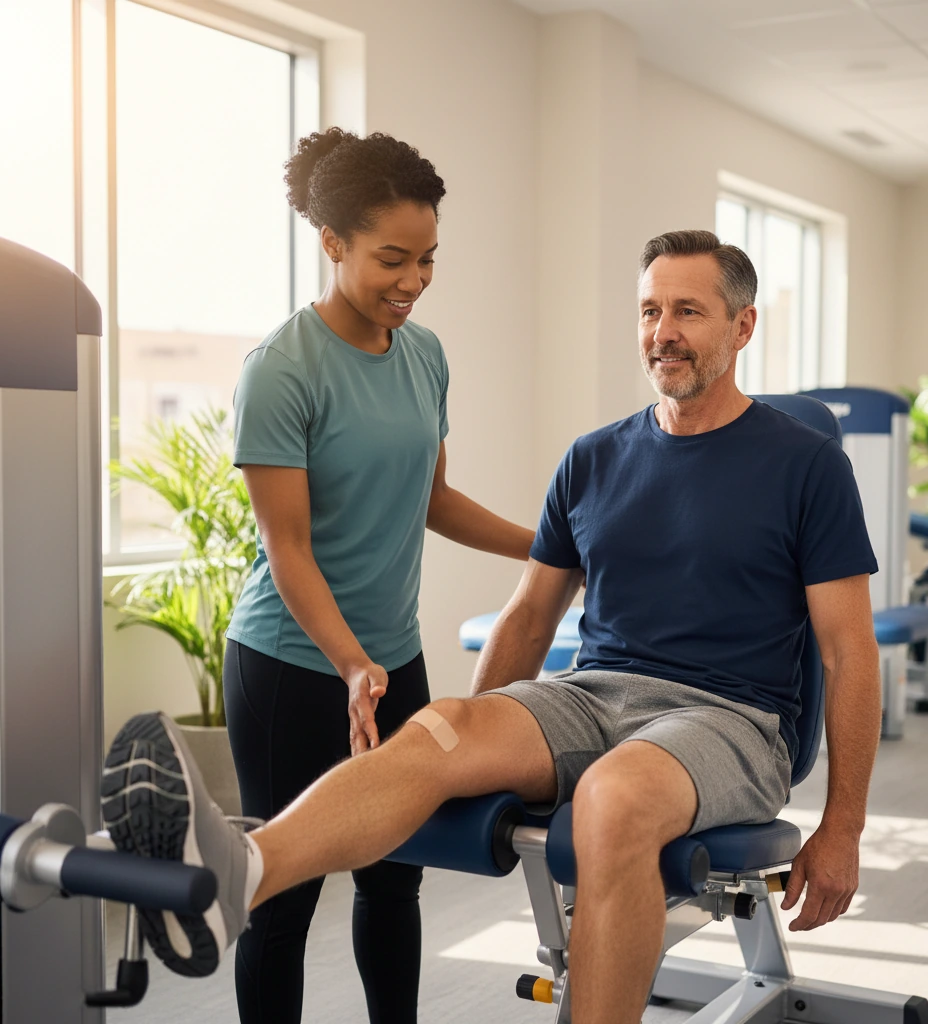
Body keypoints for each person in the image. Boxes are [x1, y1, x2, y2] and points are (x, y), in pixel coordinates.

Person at [102, 229, 882, 1024]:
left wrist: (843, 825)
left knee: (611, 800)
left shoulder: (805, 464)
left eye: (688, 311)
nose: (663, 332)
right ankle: (236, 874)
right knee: (438, 726)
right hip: (593, 697)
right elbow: (531, 614)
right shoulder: (594, 458)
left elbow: (850, 652)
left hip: (729, 718)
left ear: (742, 327)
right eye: (649, 310)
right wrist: (474, 745)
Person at [220, 128, 534, 1024]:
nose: (413, 281)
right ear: (332, 243)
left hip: (392, 663)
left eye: (428, 259)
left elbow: (432, 499)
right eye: (392, 259)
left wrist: (547, 548)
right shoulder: (282, 371)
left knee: (396, 881)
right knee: (281, 903)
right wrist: (350, 663)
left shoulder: (425, 356)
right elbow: (289, 549)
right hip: (293, 666)